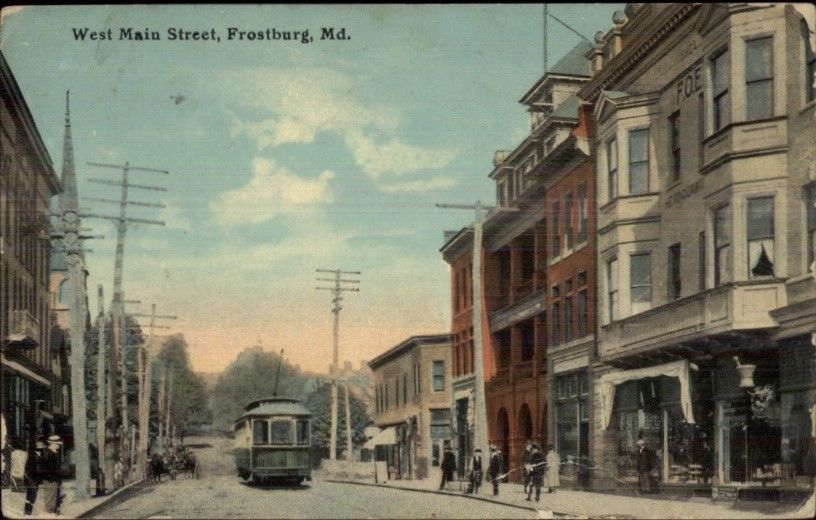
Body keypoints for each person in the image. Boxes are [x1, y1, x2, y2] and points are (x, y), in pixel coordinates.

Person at [40, 435, 63, 514]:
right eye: (57, 444)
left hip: (54, 480)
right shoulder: (48, 454)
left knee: (53, 501)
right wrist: (52, 479)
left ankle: (51, 514)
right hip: (51, 481)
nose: (58, 445)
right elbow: (48, 469)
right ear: (52, 444)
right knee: (50, 502)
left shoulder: (53, 453)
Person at [24, 438, 45, 515]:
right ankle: (27, 512)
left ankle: (29, 512)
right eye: (39, 445)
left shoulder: (42, 455)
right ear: (37, 445)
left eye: (41, 445)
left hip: (37, 480)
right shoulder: (32, 456)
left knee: (33, 497)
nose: (40, 447)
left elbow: (42, 468)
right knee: (30, 496)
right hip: (31, 479)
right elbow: (27, 468)